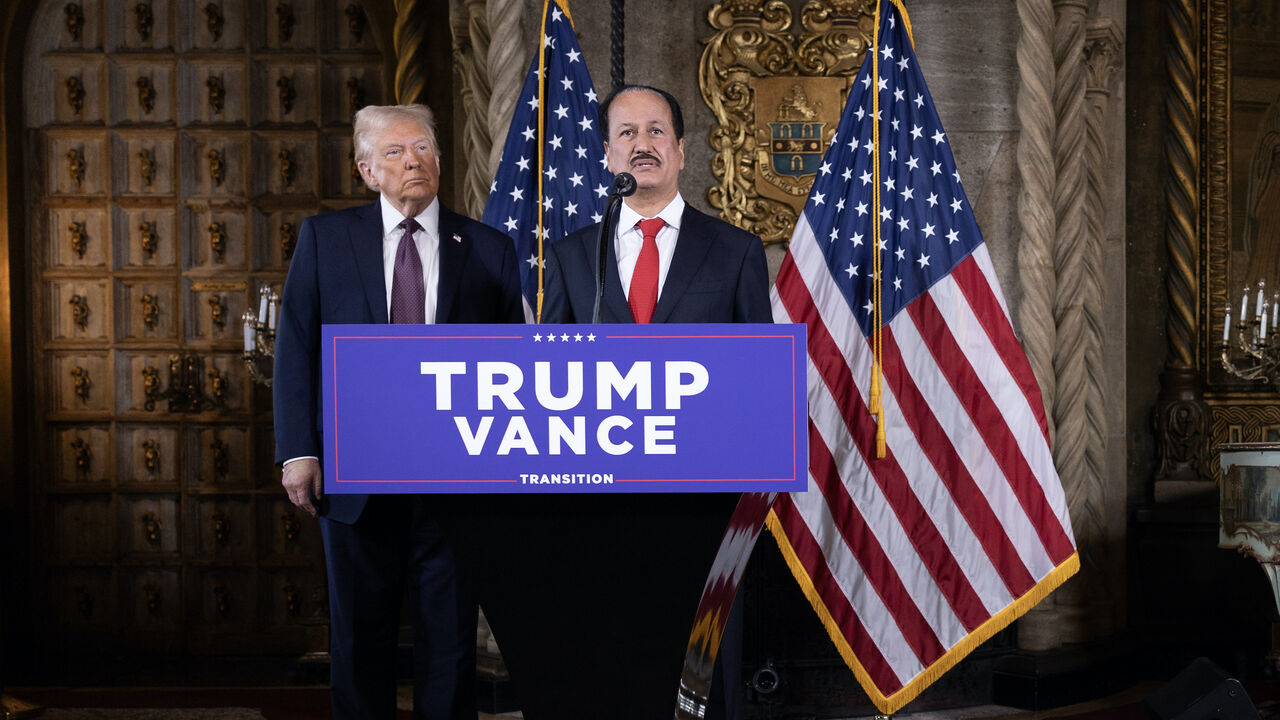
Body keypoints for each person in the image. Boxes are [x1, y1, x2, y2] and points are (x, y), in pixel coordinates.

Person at [460, 85, 769, 720]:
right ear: (607, 156)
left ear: (682, 152)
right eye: (627, 134)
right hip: (602, 500)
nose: (643, 145)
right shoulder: (575, 254)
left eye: (657, 132)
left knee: (703, 669)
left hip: (703, 498)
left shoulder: (735, 250)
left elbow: (760, 376)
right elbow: (547, 374)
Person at [272, 103, 524, 719]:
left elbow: (512, 364)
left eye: (424, 150)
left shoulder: (489, 247)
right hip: (354, 473)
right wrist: (300, 451)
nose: (414, 161)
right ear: (366, 169)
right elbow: (296, 345)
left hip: (456, 480)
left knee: (451, 645)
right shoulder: (325, 239)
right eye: (396, 152)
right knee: (359, 639)